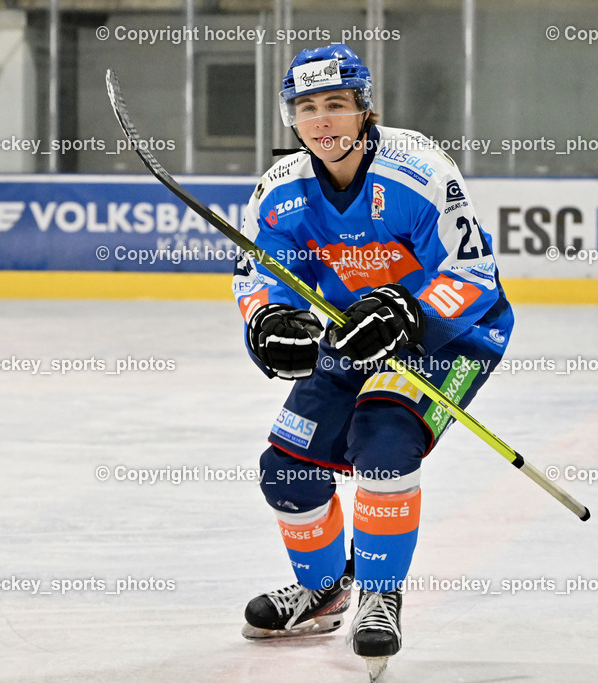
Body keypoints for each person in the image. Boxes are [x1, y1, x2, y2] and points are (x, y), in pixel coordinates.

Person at [232, 43, 514, 665]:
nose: (321, 121)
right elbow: (262, 273)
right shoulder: (280, 191)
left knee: (384, 442)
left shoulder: (419, 173)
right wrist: (268, 319)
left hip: (452, 334)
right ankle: (324, 591)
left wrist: (410, 312)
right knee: (286, 470)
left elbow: (473, 272)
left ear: (365, 110)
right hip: (352, 334)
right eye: (307, 108)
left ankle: (380, 594)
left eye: (336, 104)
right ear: (291, 118)